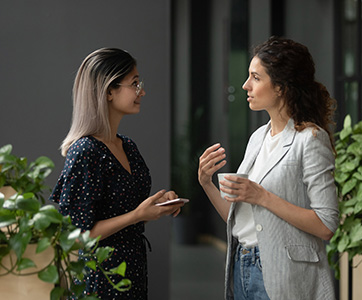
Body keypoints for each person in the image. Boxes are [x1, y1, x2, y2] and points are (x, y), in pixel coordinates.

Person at [198, 36, 339, 300]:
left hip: (284, 272)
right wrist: (206, 183)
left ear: (281, 87)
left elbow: (327, 224)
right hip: (243, 264)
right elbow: (239, 220)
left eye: (255, 77)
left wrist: (262, 196)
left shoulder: (310, 139)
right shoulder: (258, 138)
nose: (245, 85)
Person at [50, 48, 184, 299]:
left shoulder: (128, 146)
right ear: (109, 91)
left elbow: (123, 209)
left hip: (132, 271)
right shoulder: (85, 151)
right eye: (135, 83)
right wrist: (136, 215)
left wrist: (157, 206)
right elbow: (75, 237)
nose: (142, 91)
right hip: (101, 278)